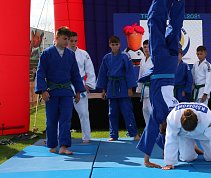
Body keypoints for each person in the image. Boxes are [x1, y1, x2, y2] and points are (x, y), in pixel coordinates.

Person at [136, 0, 187, 168]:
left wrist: (149, 157)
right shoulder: (164, 112)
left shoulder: (174, 110)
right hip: (162, 68)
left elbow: (155, 128)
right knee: (154, 22)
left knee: (175, 26)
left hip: (171, 65)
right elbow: (153, 128)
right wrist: (147, 159)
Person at [35, 26, 85, 155]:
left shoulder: (70, 54)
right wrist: (43, 90)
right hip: (51, 91)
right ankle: (52, 145)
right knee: (51, 119)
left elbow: (75, 74)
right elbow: (40, 73)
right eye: (64, 39)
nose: (67, 42)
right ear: (56, 38)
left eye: (68, 39)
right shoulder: (47, 53)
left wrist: (78, 91)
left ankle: (63, 146)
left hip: (66, 92)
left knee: (66, 119)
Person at [96, 35, 140, 141]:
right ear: (109, 45)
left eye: (116, 44)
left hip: (123, 86)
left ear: (120, 45)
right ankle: (113, 134)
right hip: (111, 87)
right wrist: (103, 90)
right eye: (113, 44)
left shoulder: (125, 56)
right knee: (112, 113)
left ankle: (134, 133)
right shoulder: (106, 58)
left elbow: (129, 72)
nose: (115, 46)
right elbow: (102, 74)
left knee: (127, 112)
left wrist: (130, 88)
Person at [162, 102, 211, 171]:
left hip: (203, 135)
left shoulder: (207, 118)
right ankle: (194, 147)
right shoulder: (173, 117)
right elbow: (171, 139)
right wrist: (169, 162)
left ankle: (196, 146)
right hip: (184, 135)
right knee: (187, 158)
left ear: (198, 121)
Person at [68, 31, 96, 143]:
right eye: (71, 41)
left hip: (79, 85)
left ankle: (86, 137)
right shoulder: (62, 53)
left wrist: (89, 84)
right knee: (64, 113)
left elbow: (90, 70)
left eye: (75, 41)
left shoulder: (84, 54)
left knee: (84, 113)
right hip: (66, 85)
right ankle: (59, 136)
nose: (74, 43)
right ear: (67, 40)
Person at [136, 39, 153, 126]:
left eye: (148, 47)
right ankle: (148, 130)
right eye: (145, 47)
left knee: (151, 110)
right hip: (144, 89)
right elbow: (140, 75)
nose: (146, 49)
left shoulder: (154, 59)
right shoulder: (142, 60)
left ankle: (156, 132)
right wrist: (139, 89)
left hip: (152, 88)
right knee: (145, 110)